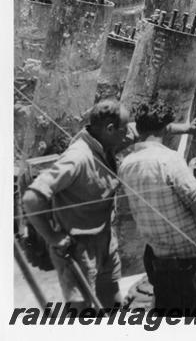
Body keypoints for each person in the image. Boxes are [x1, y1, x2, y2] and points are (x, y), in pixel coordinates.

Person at [22, 100, 134, 310]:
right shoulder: (78, 158)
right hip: (77, 248)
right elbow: (31, 199)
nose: (127, 134)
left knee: (111, 298)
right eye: (124, 129)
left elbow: (143, 130)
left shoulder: (106, 140)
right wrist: (53, 237)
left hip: (104, 238)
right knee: (82, 312)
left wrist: (186, 129)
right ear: (110, 129)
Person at [118, 100, 196, 312]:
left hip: (159, 266)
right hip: (190, 268)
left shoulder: (126, 165)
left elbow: (163, 194)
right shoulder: (170, 160)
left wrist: (187, 172)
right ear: (165, 128)